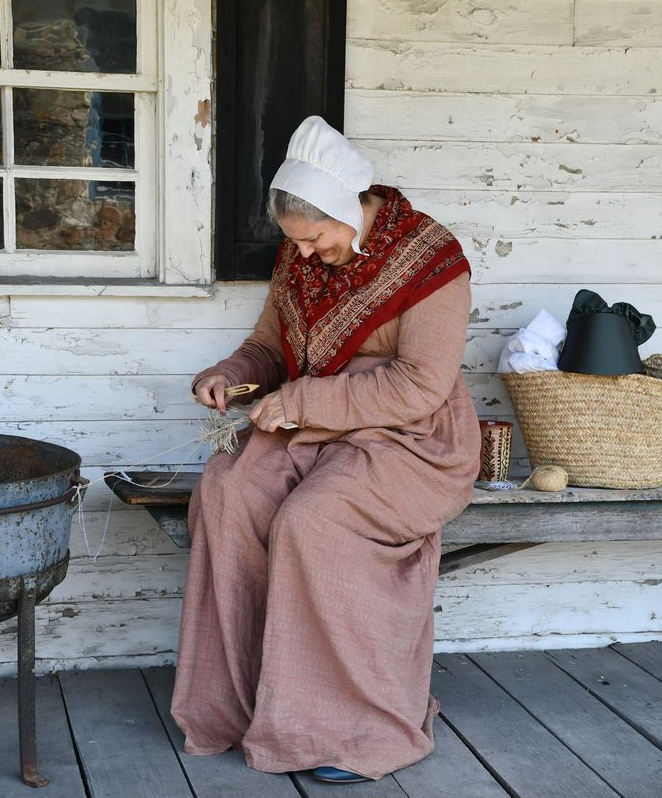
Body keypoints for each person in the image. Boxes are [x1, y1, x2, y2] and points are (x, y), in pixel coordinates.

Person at [171, 116, 481, 783]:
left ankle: (347, 727)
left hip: (410, 438)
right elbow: (272, 351)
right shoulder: (301, 260)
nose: (305, 257)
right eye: (295, 244)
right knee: (229, 494)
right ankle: (250, 707)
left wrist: (307, 404)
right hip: (319, 429)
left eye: (315, 240)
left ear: (348, 211)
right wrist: (231, 374)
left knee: (315, 521)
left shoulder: (431, 259)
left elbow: (420, 387)